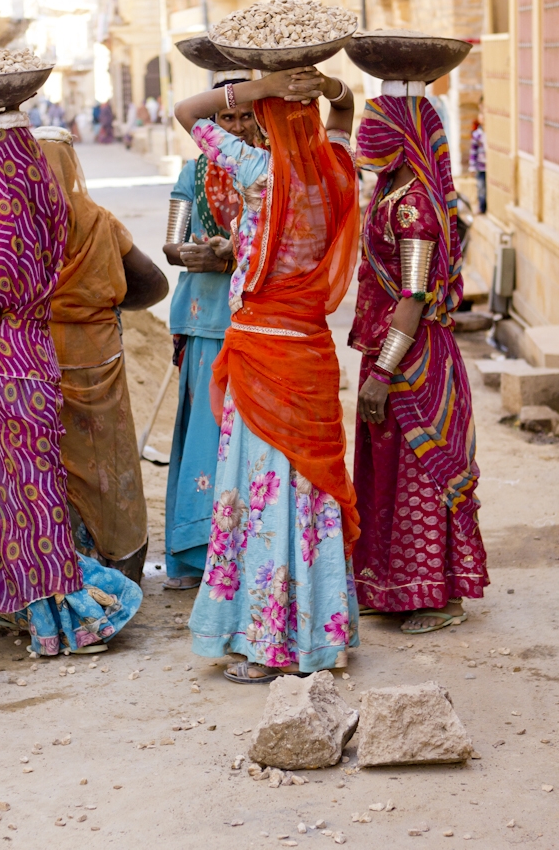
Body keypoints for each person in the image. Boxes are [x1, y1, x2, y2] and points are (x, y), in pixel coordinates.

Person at [0, 75, 141, 654]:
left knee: (17, 503)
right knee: (35, 499)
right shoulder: (51, 212)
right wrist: (10, 113)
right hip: (37, 364)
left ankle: (57, 617)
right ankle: (47, 620)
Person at [174, 66, 360, 683]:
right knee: (307, 495)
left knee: (262, 494)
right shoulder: (333, 171)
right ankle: (318, 635)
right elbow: (343, 117)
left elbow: (186, 112)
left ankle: (268, 644)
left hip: (261, 352)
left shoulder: (257, 173)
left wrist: (255, 88)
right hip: (307, 351)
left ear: (267, 121)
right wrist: (327, 88)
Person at [350, 85, 489, 634]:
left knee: (420, 474)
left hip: (410, 361)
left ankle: (437, 596)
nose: (365, 138)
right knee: (384, 473)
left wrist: (383, 372)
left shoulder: (414, 208)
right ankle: (389, 585)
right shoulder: (388, 192)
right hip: (389, 353)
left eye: (376, 127)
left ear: (404, 138)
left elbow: (413, 297)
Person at [33, 126, 168, 584]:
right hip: (100, 361)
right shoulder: (98, 221)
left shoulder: (16, 223)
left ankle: (61, 569)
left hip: (38, 360)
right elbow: (153, 283)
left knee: (52, 464)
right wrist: (101, 302)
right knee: (108, 460)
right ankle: (120, 563)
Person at [163, 69, 258, 590]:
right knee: (205, 433)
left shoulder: (269, 171)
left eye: (246, 115)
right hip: (204, 320)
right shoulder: (193, 173)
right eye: (228, 116)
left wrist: (234, 258)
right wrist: (196, 254)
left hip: (255, 321)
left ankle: (248, 549)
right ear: (211, 121)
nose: (238, 125)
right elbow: (172, 245)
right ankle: (198, 553)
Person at [469, 98, 486, 213]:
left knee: (486, 188)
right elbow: (473, 152)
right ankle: (481, 206)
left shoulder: (486, 134)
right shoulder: (477, 135)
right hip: (480, 166)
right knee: (481, 187)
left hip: (488, 166)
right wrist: (472, 167)